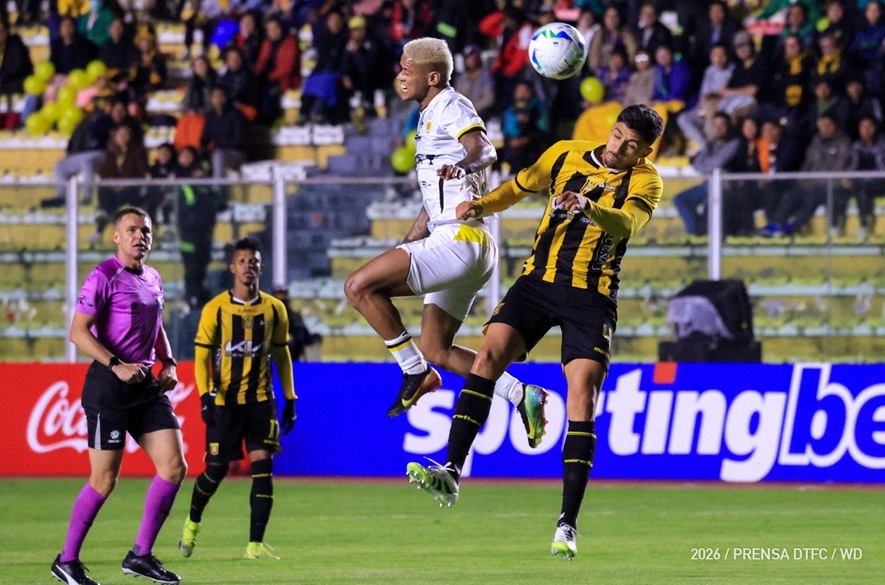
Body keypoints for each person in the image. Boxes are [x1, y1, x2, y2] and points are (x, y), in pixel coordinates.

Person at [406, 104, 665, 560]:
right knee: (488, 357)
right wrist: (480, 205)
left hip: (591, 295)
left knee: (582, 394)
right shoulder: (566, 153)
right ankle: (450, 469)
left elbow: (628, 223)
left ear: (645, 151)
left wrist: (588, 206)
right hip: (537, 283)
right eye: (618, 135)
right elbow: (520, 186)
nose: (619, 147)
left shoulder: (646, 181)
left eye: (631, 146)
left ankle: (567, 524)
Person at [343, 37, 549, 448]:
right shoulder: (427, 118)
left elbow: (484, 149)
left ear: (432, 77)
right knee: (437, 347)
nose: (400, 75)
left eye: (408, 69)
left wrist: (464, 165)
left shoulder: (451, 105)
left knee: (358, 287)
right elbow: (431, 205)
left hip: (459, 240)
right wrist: (406, 247)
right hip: (464, 242)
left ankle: (413, 371)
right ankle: (520, 393)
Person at [52, 206, 185, 585]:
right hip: (109, 388)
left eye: (145, 230)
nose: (139, 235)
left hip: (145, 387)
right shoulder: (103, 276)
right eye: (131, 229)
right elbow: (78, 332)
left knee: (174, 467)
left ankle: (140, 555)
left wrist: (169, 362)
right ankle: (67, 560)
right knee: (103, 481)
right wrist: (116, 365)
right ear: (116, 236)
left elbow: (156, 325)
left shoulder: (154, 278)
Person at [178, 237, 297, 561]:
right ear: (233, 267)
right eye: (242, 261)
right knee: (216, 470)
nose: (248, 266)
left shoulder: (275, 308)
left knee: (263, 466)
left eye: (254, 261)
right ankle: (192, 523)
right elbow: (201, 357)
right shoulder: (216, 309)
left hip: (261, 401)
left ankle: (254, 546)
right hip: (226, 401)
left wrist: (290, 397)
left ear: (260, 266)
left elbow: (281, 355)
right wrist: (205, 395)